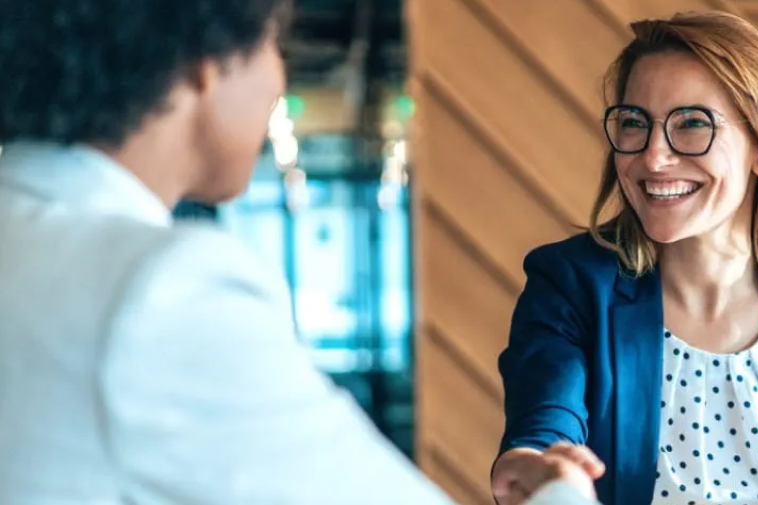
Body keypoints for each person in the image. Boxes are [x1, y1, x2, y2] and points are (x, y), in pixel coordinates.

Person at [0, 1, 597, 504]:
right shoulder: (158, 294)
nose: (279, 79)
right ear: (201, 67)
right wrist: (564, 488)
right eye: (272, 44)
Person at [491, 10, 758, 505]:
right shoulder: (570, 283)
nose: (653, 157)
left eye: (692, 124)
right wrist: (538, 469)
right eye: (635, 124)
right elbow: (543, 430)